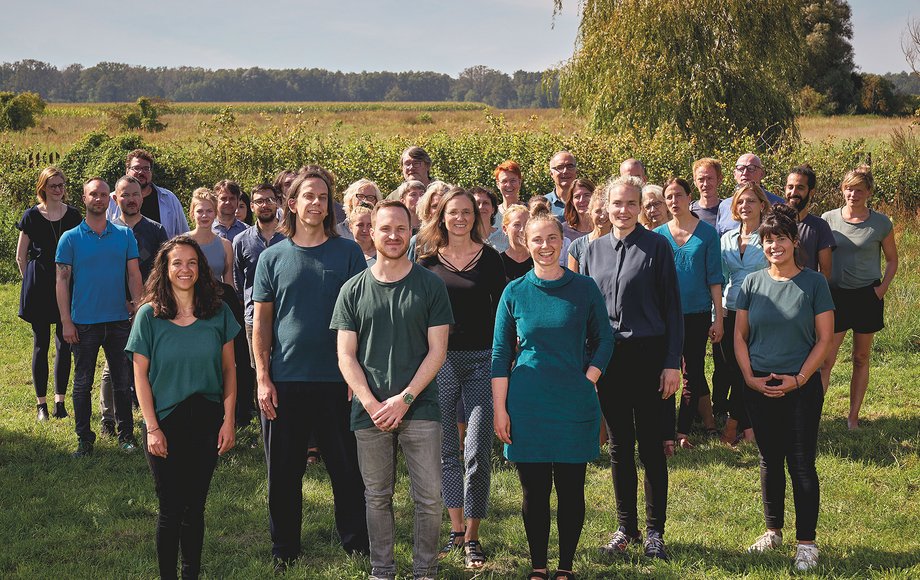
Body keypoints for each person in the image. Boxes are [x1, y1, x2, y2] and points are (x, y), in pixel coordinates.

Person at [253, 166, 369, 570]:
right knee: (283, 475)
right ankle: (285, 549)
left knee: (346, 470)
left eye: (323, 197)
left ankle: (356, 544)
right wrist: (263, 378)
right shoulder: (271, 258)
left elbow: (361, 317)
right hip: (285, 381)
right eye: (308, 196)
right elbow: (262, 324)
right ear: (292, 203)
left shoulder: (349, 252)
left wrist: (358, 376)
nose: (316, 203)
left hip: (338, 381)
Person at [331, 200, 453, 580]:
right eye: (385, 228)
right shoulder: (352, 290)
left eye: (401, 228)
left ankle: (425, 572)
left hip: (420, 408)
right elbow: (345, 356)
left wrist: (405, 399)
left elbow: (438, 351)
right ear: (371, 231)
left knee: (429, 499)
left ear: (411, 229)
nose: (394, 235)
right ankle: (382, 571)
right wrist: (371, 403)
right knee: (376, 497)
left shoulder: (431, 286)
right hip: (369, 414)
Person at [492, 209, 614, 580]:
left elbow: (605, 339)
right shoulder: (514, 291)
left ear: (563, 243)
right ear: (525, 244)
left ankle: (565, 567)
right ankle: (539, 567)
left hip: (573, 403)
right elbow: (500, 353)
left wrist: (588, 378)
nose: (545, 246)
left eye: (552, 239)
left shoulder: (584, 288)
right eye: (537, 240)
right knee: (534, 492)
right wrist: (500, 408)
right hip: (527, 404)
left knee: (572, 489)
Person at [126, 236, 238, 580]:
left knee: (196, 506)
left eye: (191, 262)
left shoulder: (218, 311)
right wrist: (152, 428)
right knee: (170, 507)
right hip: (164, 420)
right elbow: (140, 377)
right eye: (177, 263)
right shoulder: (149, 315)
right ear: (165, 268)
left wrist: (229, 420)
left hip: (206, 417)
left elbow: (231, 370)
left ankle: (191, 573)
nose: (184, 269)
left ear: (201, 267)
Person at [582, 176, 682, 561]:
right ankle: (626, 527)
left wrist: (672, 363)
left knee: (653, 448)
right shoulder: (593, 250)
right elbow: (588, 315)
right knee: (620, 447)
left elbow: (673, 309)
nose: (622, 210)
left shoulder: (658, 246)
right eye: (616, 203)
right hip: (609, 360)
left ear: (640, 206)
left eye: (630, 203)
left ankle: (656, 532)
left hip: (650, 357)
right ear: (605, 207)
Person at [735, 204, 834, 572]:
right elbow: (740, 337)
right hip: (759, 383)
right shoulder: (751, 283)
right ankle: (772, 530)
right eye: (767, 239)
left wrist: (800, 379)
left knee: (801, 463)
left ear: (794, 241)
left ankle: (806, 544)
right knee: (768, 459)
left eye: (780, 238)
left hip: (801, 385)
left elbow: (824, 340)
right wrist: (748, 377)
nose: (774, 245)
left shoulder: (814, 283)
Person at [416, 187, 507, 569]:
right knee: (446, 450)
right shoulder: (425, 261)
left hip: (482, 360)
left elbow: (505, 316)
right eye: (453, 212)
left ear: (477, 217)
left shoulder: (491, 259)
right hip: (440, 361)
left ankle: (473, 535)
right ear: (441, 216)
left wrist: (506, 362)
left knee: (478, 448)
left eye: (467, 212)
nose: (460, 218)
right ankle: (455, 530)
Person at [56, 177, 143, 456]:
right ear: (84, 199)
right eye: (93, 194)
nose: (99, 198)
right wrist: (66, 321)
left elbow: (133, 274)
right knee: (82, 383)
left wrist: (139, 308)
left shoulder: (125, 235)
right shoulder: (69, 238)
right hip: (83, 323)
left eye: (104, 195)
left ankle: (125, 435)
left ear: (111, 200)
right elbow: (61, 282)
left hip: (118, 320)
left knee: (122, 380)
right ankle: (84, 439)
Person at [821, 167, 898, 429]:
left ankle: (853, 416)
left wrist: (881, 289)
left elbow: (892, 260)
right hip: (835, 296)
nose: (853, 194)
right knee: (825, 359)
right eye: (848, 188)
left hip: (867, 295)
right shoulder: (828, 219)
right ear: (842, 189)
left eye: (859, 190)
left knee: (861, 357)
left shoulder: (881, 223)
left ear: (868, 193)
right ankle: (813, 416)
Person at [655, 177, 723, 448]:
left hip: (696, 314)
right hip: (664, 316)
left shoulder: (707, 234)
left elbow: (715, 279)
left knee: (692, 372)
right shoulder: (658, 235)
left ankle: (683, 431)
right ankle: (665, 431)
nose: (673, 201)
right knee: (666, 371)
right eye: (669, 197)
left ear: (689, 197)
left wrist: (718, 316)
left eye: (678, 196)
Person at [99, 175, 169, 436]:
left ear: (142, 197)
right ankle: (108, 417)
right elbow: (107, 273)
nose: (130, 199)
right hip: (116, 307)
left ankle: (158, 413)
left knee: (154, 361)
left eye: (135, 194)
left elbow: (162, 272)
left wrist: (145, 304)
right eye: (124, 195)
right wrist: (126, 303)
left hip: (151, 306)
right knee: (112, 365)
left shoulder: (156, 230)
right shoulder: (108, 230)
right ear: (115, 199)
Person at [16, 167, 82, 420]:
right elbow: (20, 256)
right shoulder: (31, 215)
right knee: (40, 344)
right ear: (43, 187)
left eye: (62, 185)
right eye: (53, 185)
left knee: (65, 343)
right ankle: (41, 404)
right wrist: (30, 282)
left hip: (66, 284)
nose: (58, 189)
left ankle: (60, 402)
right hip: (38, 285)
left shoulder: (74, 215)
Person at [717, 183, 770, 445]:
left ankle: (734, 425)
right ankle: (748, 427)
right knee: (733, 370)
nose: (745, 206)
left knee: (751, 367)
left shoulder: (769, 236)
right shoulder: (726, 238)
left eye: (751, 201)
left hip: (760, 308)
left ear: (762, 205)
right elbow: (720, 277)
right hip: (730, 308)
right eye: (740, 202)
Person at [232, 184, 285, 428]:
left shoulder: (290, 237)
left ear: (278, 203)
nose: (265, 205)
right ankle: (267, 424)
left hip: (286, 315)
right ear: (251, 206)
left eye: (269, 200)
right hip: (254, 318)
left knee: (285, 370)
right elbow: (238, 281)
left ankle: (289, 421)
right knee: (259, 372)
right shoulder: (241, 241)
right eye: (259, 201)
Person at [109, 149, 189, 238]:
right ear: (127, 171)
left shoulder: (169, 199)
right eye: (136, 168)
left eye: (146, 169)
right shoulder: (111, 200)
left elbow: (184, 234)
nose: (141, 172)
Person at [784, 165, 835, 279]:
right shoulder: (774, 223)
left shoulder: (820, 226)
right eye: (790, 187)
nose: (793, 192)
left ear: (811, 192)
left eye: (800, 188)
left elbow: (825, 271)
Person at [716, 153, 785, 237]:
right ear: (734, 174)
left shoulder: (778, 204)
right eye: (740, 168)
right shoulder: (724, 206)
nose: (745, 173)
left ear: (761, 174)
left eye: (751, 168)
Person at [187, 189, 233, 285]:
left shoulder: (226, 245)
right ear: (192, 214)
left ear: (215, 214)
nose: (204, 215)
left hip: (217, 298)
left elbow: (229, 283)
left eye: (209, 211)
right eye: (199, 211)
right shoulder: (181, 243)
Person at [567, 188, 610, 276]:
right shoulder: (577, 246)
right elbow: (572, 284)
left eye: (607, 211)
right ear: (590, 213)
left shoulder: (622, 243)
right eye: (598, 211)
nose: (603, 216)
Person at [500, 205, 533, 281]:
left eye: (526, 224)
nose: (522, 229)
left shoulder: (538, 260)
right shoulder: (497, 262)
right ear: (505, 229)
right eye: (516, 225)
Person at [689, 158, 724, 229]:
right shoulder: (689, 211)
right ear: (695, 182)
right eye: (701, 179)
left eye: (710, 178)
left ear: (719, 179)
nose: (705, 184)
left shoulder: (728, 210)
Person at [471, 185, 508, 252]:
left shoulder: (505, 238)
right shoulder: (465, 237)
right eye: (477, 203)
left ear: (493, 209)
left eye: (486, 203)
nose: (481, 207)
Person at [545, 151, 577, 219]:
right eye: (560, 167)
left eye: (570, 166)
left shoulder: (586, 201)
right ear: (551, 174)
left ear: (576, 171)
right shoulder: (544, 203)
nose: (565, 171)